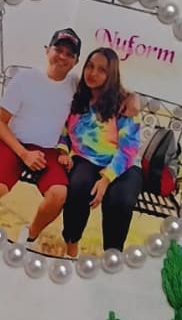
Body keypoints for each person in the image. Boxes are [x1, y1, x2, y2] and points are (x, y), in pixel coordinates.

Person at [0, 28, 81, 248]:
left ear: (76, 61)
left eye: (70, 54)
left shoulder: (75, 86)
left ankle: (29, 236)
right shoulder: (26, 79)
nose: (62, 57)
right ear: (47, 50)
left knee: (59, 194)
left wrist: (66, 151)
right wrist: (24, 154)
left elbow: (99, 100)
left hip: (49, 150)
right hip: (13, 143)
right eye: (58, 50)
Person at [56, 48, 144, 258]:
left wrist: (106, 179)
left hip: (124, 164)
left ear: (111, 74)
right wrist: (63, 151)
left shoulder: (123, 105)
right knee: (78, 187)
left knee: (120, 200)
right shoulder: (78, 98)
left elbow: (129, 149)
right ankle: (71, 244)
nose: (93, 73)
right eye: (90, 66)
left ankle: (111, 256)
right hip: (87, 159)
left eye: (102, 70)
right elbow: (65, 132)